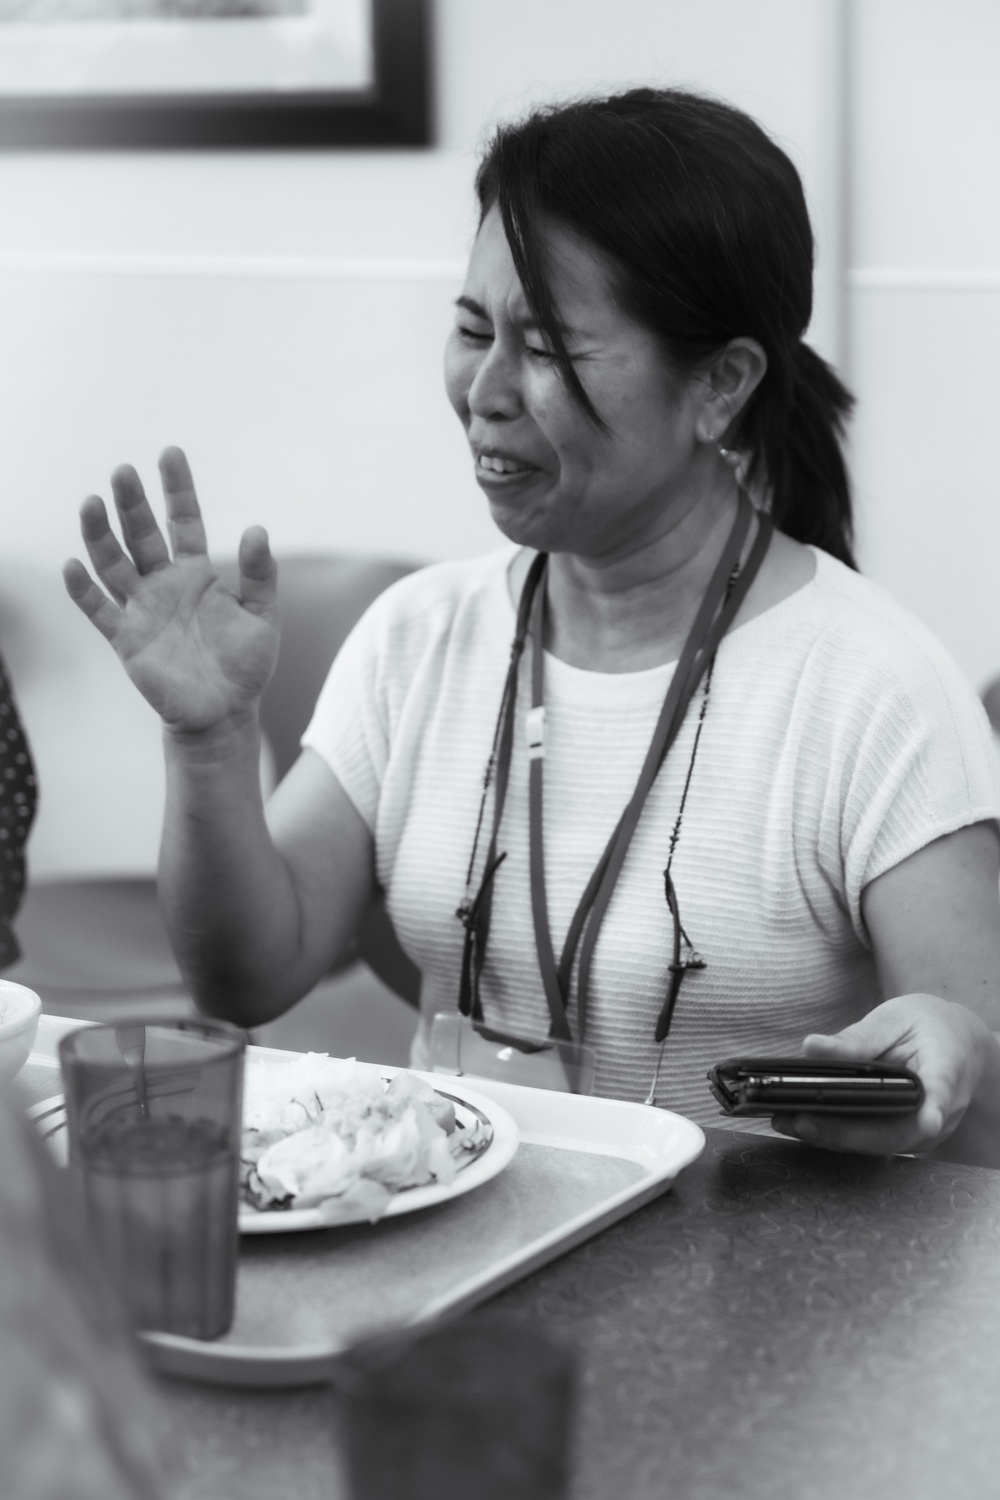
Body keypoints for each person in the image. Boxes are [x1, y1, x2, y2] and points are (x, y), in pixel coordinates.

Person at [64, 88, 1000, 1165]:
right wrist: (211, 742)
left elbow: (977, 1126)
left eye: (548, 347)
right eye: (472, 330)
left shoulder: (873, 690)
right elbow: (248, 973)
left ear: (720, 386)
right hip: (452, 1257)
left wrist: (950, 1051)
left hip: (761, 1294)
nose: (484, 391)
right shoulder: (422, 635)